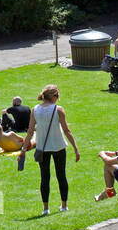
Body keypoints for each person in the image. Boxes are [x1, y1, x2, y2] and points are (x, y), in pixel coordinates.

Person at [21, 84, 80, 216]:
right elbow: (67, 130)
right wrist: (75, 148)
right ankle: (64, 205)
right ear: (54, 96)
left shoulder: (35, 109)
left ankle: (45, 208)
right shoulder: (58, 109)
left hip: (42, 147)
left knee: (44, 177)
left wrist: (24, 149)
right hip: (58, 146)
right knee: (61, 175)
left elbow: (30, 131)